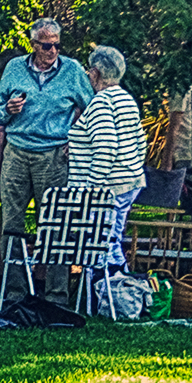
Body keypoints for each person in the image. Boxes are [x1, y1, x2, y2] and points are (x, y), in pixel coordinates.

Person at [0, 18, 94, 305]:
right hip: (17, 151)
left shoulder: (72, 70)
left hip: (54, 153)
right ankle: (14, 294)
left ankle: (56, 296)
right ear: (33, 45)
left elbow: (91, 108)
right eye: (47, 45)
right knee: (12, 223)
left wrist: (75, 136)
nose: (53, 51)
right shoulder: (14, 69)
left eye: (57, 45)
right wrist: (8, 108)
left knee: (55, 225)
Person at [66, 45, 147, 273]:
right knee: (112, 239)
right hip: (129, 181)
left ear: (95, 73)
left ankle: (101, 290)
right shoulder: (127, 100)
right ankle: (117, 288)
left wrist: (93, 188)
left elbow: (106, 147)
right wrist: (132, 166)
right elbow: (140, 142)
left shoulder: (101, 102)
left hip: (106, 187)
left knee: (98, 242)